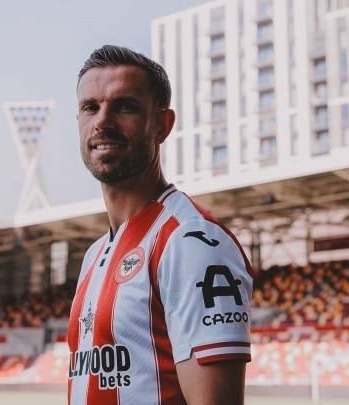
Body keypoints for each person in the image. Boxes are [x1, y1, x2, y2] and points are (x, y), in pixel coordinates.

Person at [68, 45, 254, 405]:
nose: (102, 121)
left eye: (125, 106)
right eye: (90, 107)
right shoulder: (95, 254)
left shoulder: (191, 241)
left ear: (162, 125)